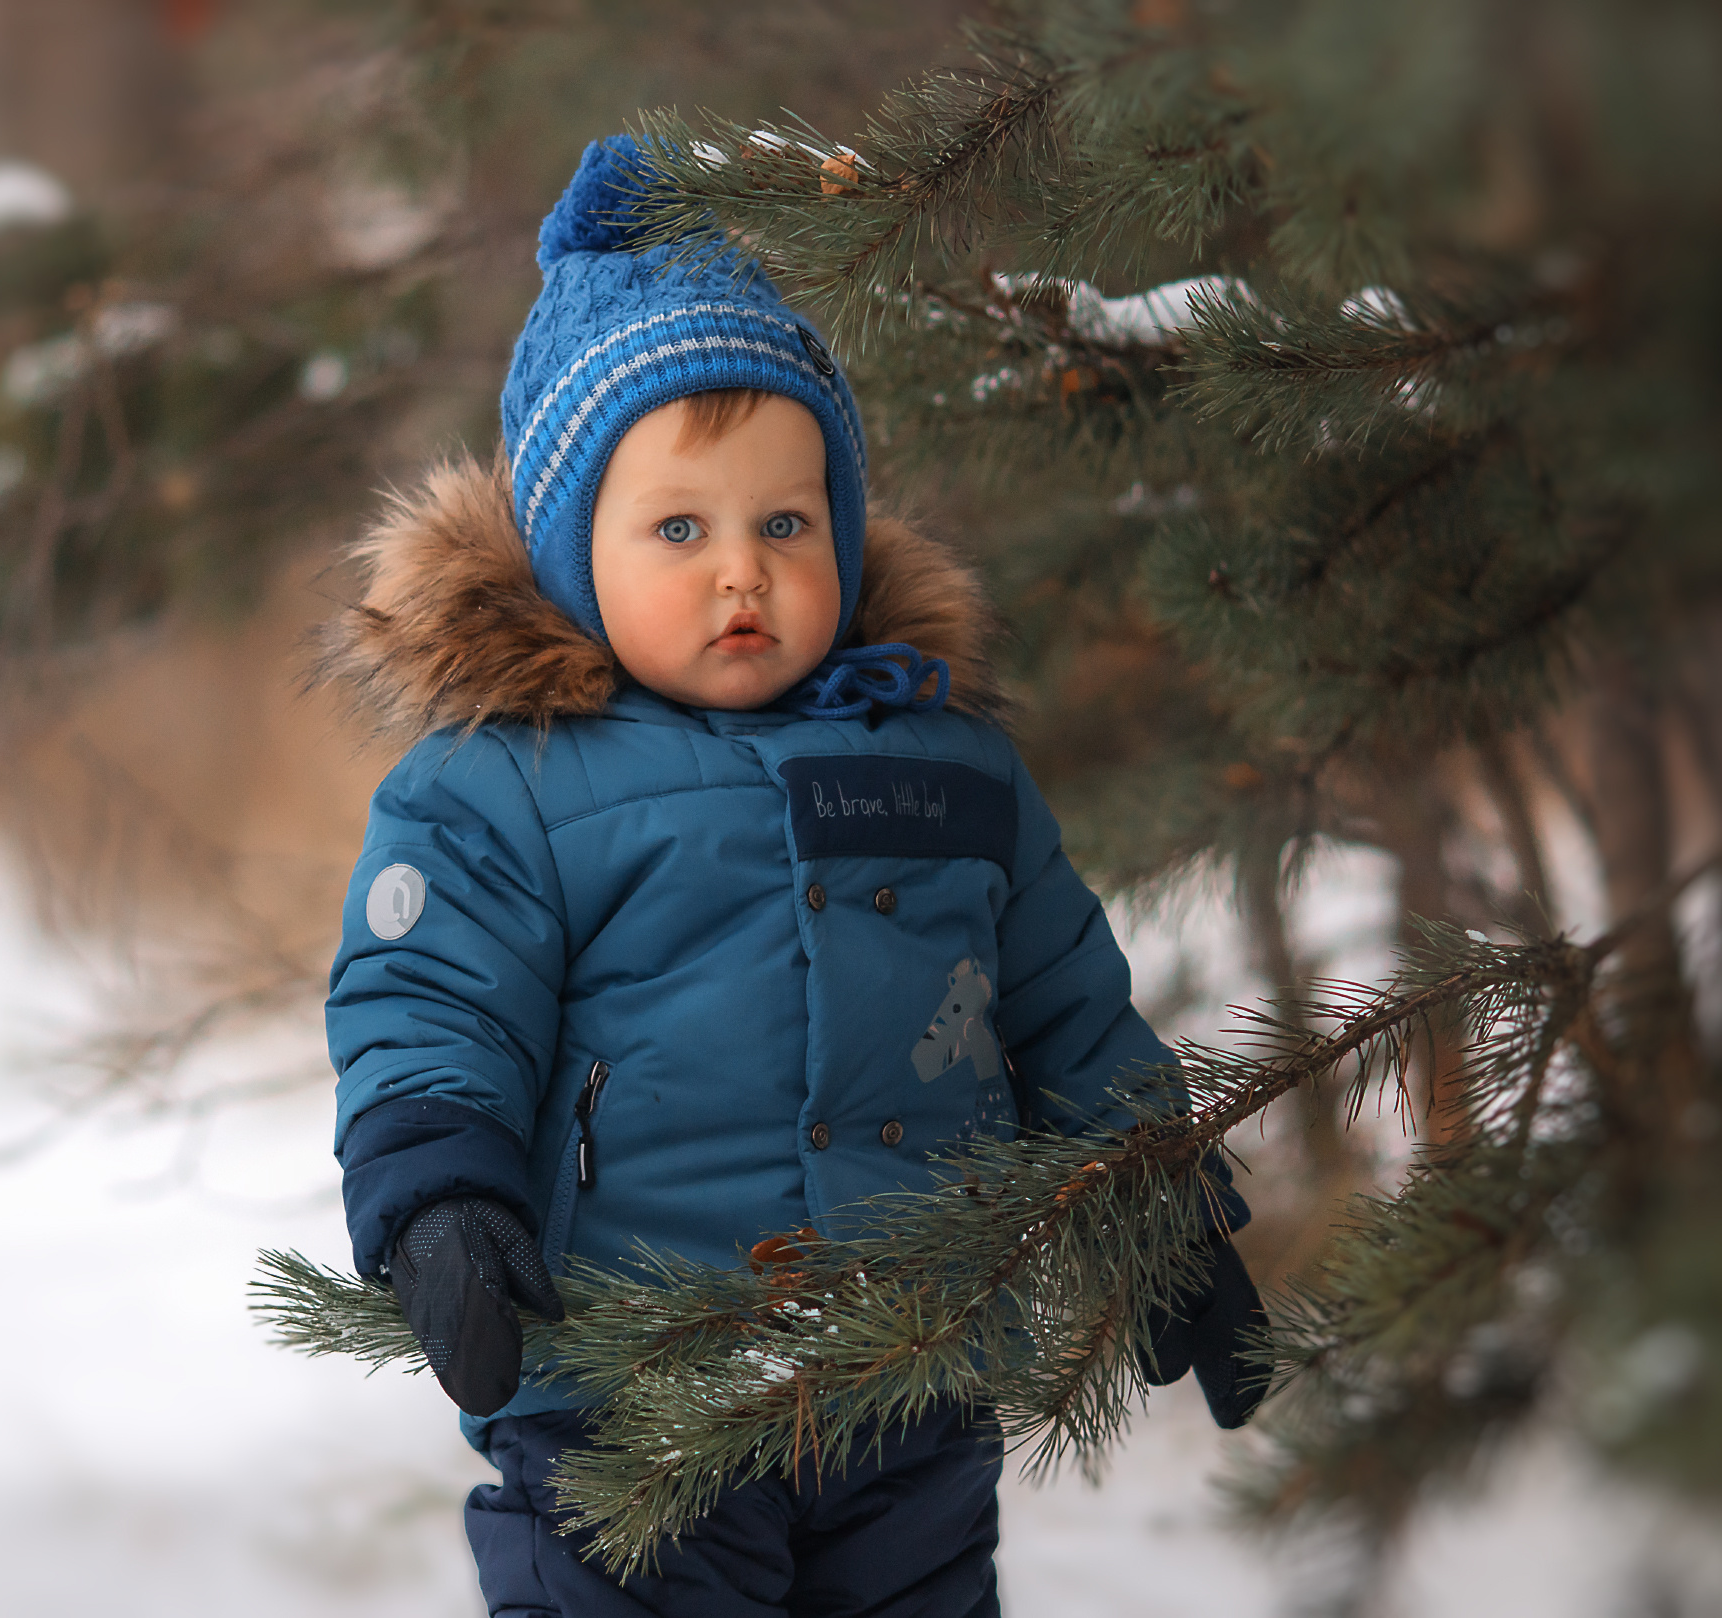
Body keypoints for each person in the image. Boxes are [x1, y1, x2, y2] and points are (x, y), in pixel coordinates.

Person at [319, 135, 1267, 1618]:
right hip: (634, 1391)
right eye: (678, 528)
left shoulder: (950, 767)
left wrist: (1160, 1212)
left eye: (786, 522)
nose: (741, 570)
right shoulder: (507, 782)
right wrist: (438, 1196)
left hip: (907, 1378)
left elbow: (1065, 1008)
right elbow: (427, 1003)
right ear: (569, 550)